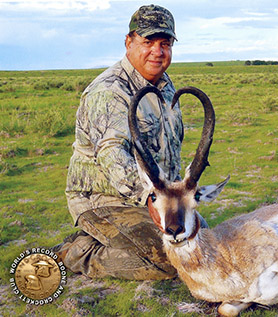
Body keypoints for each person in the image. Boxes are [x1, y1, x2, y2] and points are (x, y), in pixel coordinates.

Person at [53, 4, 207, 280]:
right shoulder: (110, 91)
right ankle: (79, 252)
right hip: (103, 200)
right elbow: (113, 156)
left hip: (159, 196)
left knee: (201, 240)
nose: (157, 51)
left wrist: (176, 196)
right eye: (148, 41)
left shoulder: (165, 86)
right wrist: (150, 198)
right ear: (129, 42)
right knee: (171, 259)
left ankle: (115, 239)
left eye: (165, 43)